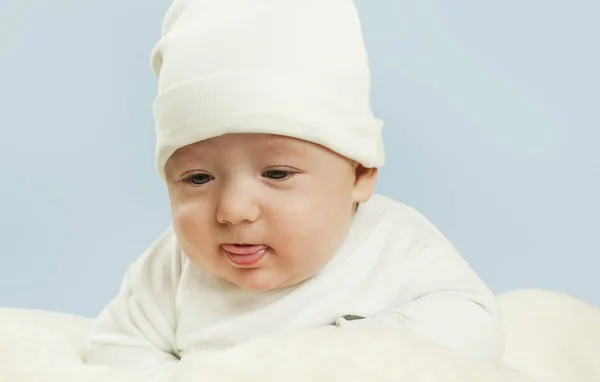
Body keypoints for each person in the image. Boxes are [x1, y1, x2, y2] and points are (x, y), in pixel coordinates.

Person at [83, 0, 504, 368]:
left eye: (277, 174)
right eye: (198, 178)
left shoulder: (393, 244)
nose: (233, 210)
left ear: (360, 173)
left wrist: (345, 352)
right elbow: (115, 348)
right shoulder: (172, 266)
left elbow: (473, 323)